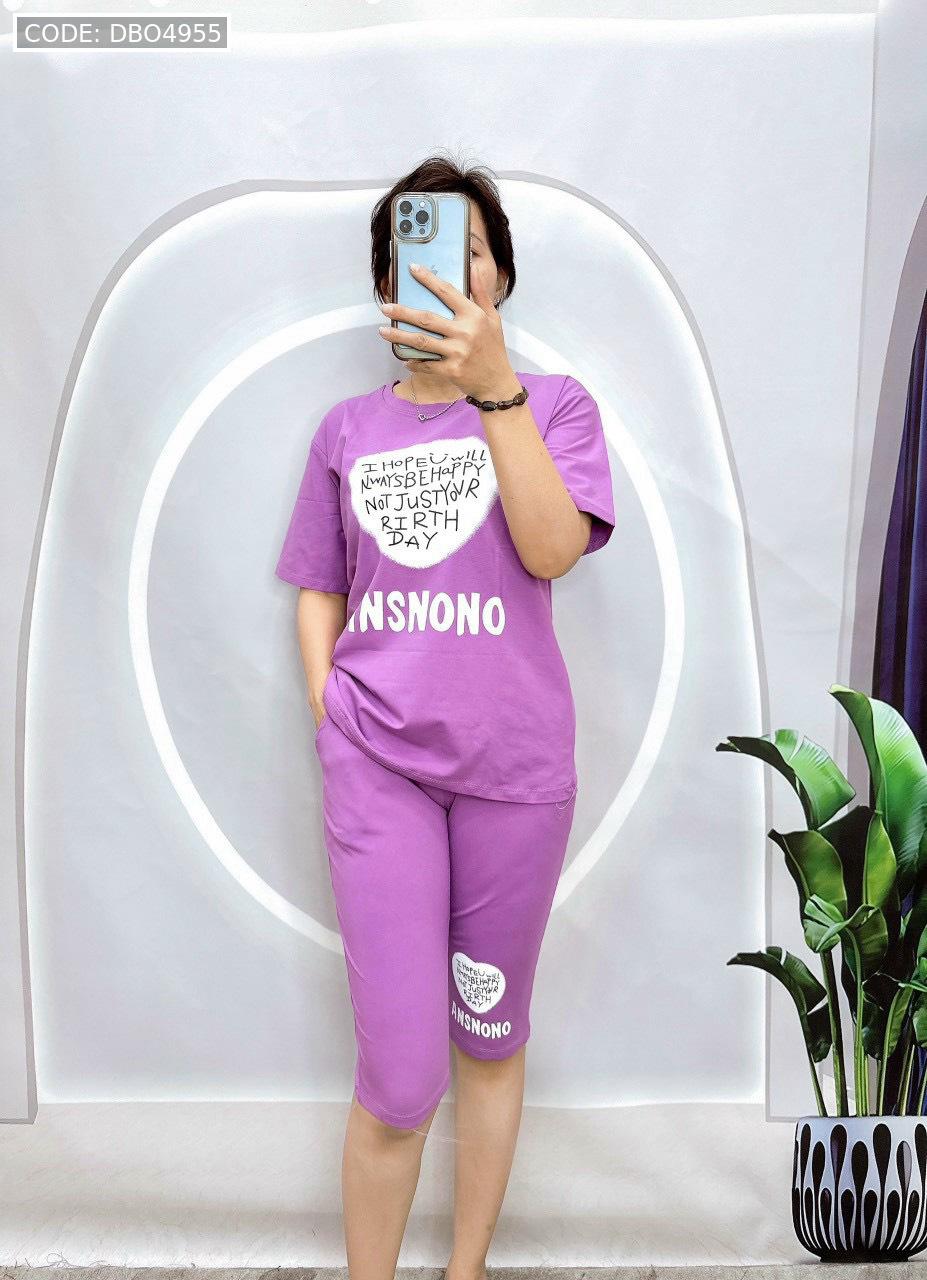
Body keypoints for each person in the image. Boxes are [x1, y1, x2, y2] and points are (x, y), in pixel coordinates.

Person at [275, 155, 615, 1280]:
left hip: (515, 773)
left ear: (500, 278)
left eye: (468, 252)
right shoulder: (345, 430)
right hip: (379, 764)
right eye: (414, 253)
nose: (442, 272)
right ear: (386, 286)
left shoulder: (556, 407)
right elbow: (318, 581)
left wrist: (496, 386)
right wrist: (328, 704)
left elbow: (552, 548)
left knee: (490, 1036)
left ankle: (465, 1273)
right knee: (401, 1075)